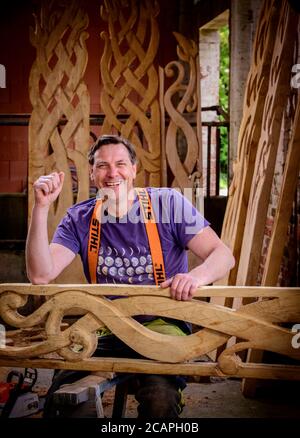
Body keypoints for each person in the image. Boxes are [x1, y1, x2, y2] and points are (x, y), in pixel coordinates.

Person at [26, 134, 235, 418]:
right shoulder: (80, 218)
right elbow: (40, 274)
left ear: (135, 169)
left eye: (121, 164)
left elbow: (223, 255)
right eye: (102, 166)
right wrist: (40, 208)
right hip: (102, 325)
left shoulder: (169, 205)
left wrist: (196, 277)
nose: (112, 173)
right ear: (92, 172)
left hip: (160, 325)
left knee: (161, 402)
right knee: (64, 399)